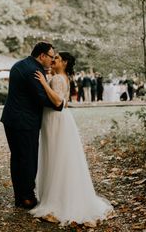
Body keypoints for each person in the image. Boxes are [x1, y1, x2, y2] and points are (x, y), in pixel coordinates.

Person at [30, 52, 113, 225]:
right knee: (59, 156)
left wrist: (44, 83)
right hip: (59, 119)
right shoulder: (62, 77)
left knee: (56, 156)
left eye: (57, 58)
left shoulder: (59, 78)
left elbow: (58, 102)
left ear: (65, 62)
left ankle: (57, 200)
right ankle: (59, 195)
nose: (53, 60)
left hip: (55, 119)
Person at [0, 42, 64, 209]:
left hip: (10, 119)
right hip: (25, 122)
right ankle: (27, 197)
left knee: (17, 158)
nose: (52, 60)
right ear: (42, 56)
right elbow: (42, 98)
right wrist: (59, 103)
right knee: (28, 159)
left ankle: (19, 196)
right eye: (51, 57)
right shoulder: (34, 71)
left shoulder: (19, 64)